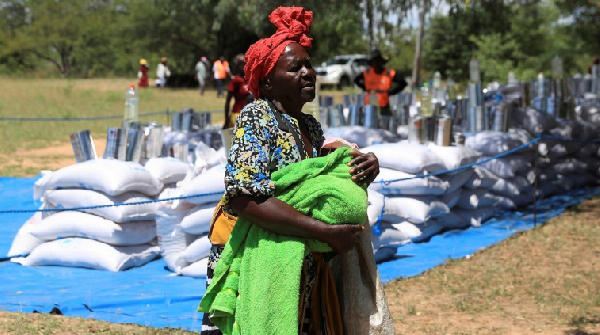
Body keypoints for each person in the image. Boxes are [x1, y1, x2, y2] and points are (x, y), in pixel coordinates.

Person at [199, 6, 380, 335]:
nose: (309, 73)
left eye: (308, 65)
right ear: (267, 82)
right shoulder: (258, 116)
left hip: (293, 252)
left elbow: (321, 176)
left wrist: (364, 163)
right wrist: (321, 232)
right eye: (295, 67)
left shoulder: (310, 126)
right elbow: (243, 197)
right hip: (252, 250)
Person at [354, 49, 407, 116]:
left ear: (381, 61)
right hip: (369, 106)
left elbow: (403, 83)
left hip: (384, 106)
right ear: (372, 62)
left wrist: (392, 92)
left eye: (378, 60)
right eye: (374, 61)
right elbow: (356, 80)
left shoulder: (389, 73)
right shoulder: (367, 72)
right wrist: (364, 88)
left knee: (385, 123)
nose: (376, 63)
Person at [223, 54, 253, 128]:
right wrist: (226, 120)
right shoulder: (235, 81)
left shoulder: (250, 79)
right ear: (239, 65)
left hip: (251, 114)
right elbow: (228, 101)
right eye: (244, 64)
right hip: (238, 113)